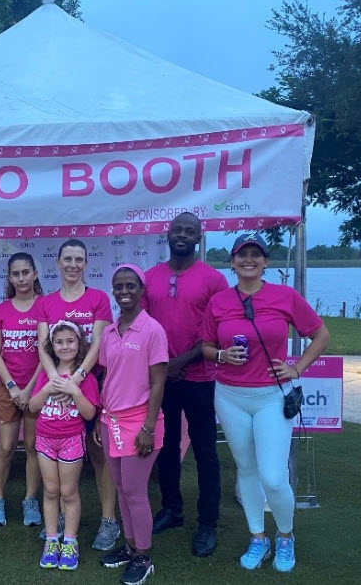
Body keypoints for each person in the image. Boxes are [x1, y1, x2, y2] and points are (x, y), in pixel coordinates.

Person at [200, 232, 330, 573]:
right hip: (229, 396)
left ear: (266, 262)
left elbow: (321, 335)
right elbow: (205, 347)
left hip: (272, 396)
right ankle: (258, 536)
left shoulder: (284, 296)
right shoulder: (219, 302)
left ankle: (285, 535)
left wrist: (297, 368)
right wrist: (221, 354)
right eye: (242, 254)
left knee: (273, 476)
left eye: (256, 254)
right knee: (247, 470)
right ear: (231, 262)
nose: (249, 259)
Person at [143, 212, 228, 556]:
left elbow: (218, 332)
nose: (182, 235)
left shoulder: (214, 279)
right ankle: (172, 510)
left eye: (189, 230)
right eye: (177, 229)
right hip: (163, 379)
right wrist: (166, 365)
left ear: (199, 236)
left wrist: (184, 361)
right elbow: (145, 328)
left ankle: (207, 522)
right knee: (166, 447)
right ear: (168, 234)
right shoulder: (149, 277)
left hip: (200, 377)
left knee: (206, 452)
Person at [36, 239, 117, 550]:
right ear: (58, 263)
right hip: (57, 387)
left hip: (90, 386)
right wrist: (56, 379)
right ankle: (55, 523)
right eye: (67, 259)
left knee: (100, 455)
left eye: (79, 259)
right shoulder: (47, 302)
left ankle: (109, 521)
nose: (72, 264)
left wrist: (77, 380)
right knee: (54, 463)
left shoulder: (98, 298)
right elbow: (44, 346)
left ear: (86, 263)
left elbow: (97, 344)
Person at [96, 265, 168, 585]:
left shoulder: (152, 329)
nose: (124, 291)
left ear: (141, 290)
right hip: (109, 421)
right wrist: (100, 416)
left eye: (130, 286)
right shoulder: (110, 331)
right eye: (119, 286)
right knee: (123, 491)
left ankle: (144, 556)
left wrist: (149, 427)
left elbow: (158, 383)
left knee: (136, 493)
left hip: (140, 423)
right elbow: (108, 377)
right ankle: (129, 546)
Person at [29, 320, 100, 571]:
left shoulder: (85, 377)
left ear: (79, 344)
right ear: (52, 346)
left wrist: (74, 390)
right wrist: (49, 387)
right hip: (45, 439)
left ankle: (70, 541)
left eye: (70, 341)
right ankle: (51, 539)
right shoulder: (47, 375)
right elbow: (33, 407)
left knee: (68, 492)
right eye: (59, 342)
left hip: (71, 440)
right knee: (50, 491)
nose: (65, 346)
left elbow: (90, 413)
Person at [0, 253, 43, 527]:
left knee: (33, 447)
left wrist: (29, 389)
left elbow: (47, 353)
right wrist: (12, 388)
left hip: (37, 390)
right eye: (15, 274)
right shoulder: (1, 310)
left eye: (25, 272)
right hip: (8, 390)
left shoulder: (45, 307)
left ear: (34, 273)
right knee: (7, 447)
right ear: (9, 278)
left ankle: (30, 500)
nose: (21, 278)